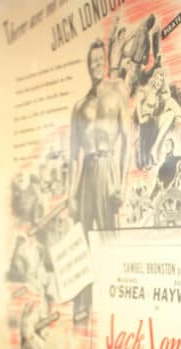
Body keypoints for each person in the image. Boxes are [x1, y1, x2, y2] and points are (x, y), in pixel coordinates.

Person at [69, 39, 129, 322]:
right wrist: (71, 193)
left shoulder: (116, 97)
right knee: (82, 240)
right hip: (86, 174)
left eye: (98, 61)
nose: (94, 66)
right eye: (90, 62)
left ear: (104, 63)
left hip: (107, 170)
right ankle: (82, 305)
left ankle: (113, 302)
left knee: (108, 237)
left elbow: (128, 143)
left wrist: (122, 185)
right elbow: (72, 155)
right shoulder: (79, 107)